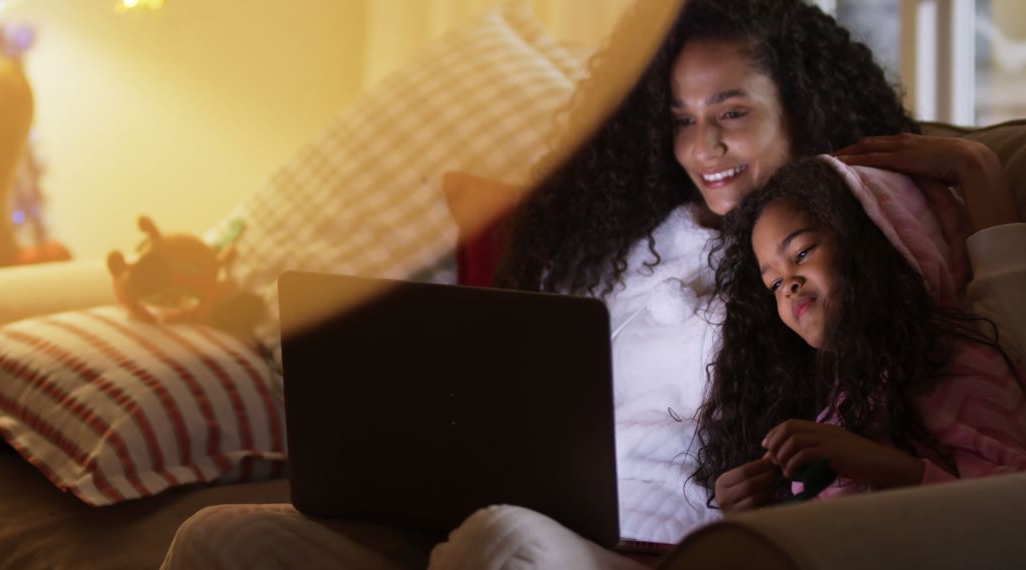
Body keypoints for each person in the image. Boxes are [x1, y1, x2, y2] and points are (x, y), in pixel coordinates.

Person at [163, 0, 1026, 567]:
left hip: (634, 547)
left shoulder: (860, 239)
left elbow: (993, 363)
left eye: (732, 114)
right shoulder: (623, 235)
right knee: (219, 539)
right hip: (491, 505)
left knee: (501, 546)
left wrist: (978, 177)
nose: (704, 150)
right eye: (682, 123)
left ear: (804, 106)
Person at [700, 155, 1026, 513]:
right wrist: (751, 511)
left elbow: (1011, 510)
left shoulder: (955, 363)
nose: (788, 285)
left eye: (803, 252)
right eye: (774, 282)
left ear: (873, 240)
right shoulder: (836, 397)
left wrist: (888, 467)